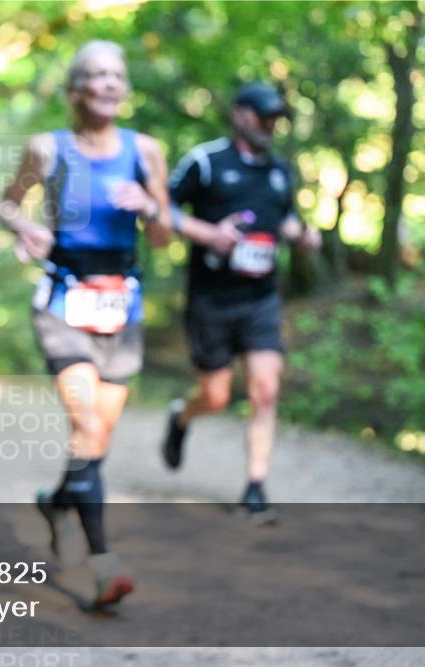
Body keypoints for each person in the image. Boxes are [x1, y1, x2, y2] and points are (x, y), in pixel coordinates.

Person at [0, 40, 171, 607]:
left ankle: (56, 501)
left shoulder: (146, 152)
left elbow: (165, 235)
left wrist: (150, 208)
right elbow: (6, 204)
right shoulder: (46, 149)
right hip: (63, 303)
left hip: (123, 307)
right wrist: (26, 229)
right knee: (88, 426)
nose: (109, 84)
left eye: (117, 75)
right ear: (76, 89)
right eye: (96, 75)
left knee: (93, 441)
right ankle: (104, 567)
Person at [161, 82, 321, 518]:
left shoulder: (280, 171)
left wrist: (301, 236)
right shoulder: (205, 162)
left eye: (276, 117)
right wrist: (208, 234)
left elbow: (285, 218)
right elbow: (162, 209)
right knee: (215, 397)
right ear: (240, 115)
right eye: (263, 115)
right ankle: (181, 418)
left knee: (265, 390)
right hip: (211, 300)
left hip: (261, 299)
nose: (271, 124)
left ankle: (254, 487)